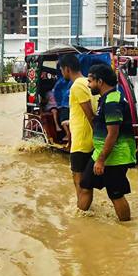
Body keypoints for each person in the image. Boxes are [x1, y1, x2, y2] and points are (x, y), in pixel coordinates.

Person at [77, 64, 135, 221]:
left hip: (115, 157)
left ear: (100, 81)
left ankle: (126, 229)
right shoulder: (107, 98)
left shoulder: (112, 102)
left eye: (90, 81)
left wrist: (101, 160)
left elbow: (113, 134)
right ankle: (79, 222)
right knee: (85, 184)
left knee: (115, 194)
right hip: (101, 153)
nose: (88, 85)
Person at [60, 54, 95, 204]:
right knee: (87, 185)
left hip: (82, 143)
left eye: (61, 70)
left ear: (67, 69)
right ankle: (85, 213)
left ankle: (81, 216)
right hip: (87, 141)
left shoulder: (77, 86)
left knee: (80, 184)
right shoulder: (88, 82)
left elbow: (90, 115)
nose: (62, 73)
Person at [52, 73, 72, 142]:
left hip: (63, 104)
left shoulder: (61, 81)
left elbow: (55, 92)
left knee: (64, 121)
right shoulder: (71, 80)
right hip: (69, 104)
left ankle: (68, 135)